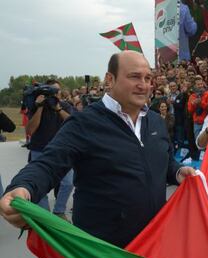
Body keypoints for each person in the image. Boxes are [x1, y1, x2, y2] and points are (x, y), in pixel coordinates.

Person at [0, 51, 196, 248]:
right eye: (134, 76)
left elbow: (165, 160)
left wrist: (178, 171)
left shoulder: (155, 121)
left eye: (147, 78)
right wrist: (23, 186)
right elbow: (48, 164)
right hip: (104, 251)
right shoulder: (84, 122)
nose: (143, 85)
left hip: (154, 242)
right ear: (110, 79)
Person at [25, 80, 74, 220]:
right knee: (40, 183)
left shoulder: (65, 106)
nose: (54, 94)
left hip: (62, 150)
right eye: (51, 91)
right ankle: (45, 215)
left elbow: (74, 123)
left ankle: (59, 211)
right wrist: (40, 108)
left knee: (68, 182)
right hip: (39, 149)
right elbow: (30, 131)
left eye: (56, 91)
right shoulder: (36, 107)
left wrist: (58, 108)